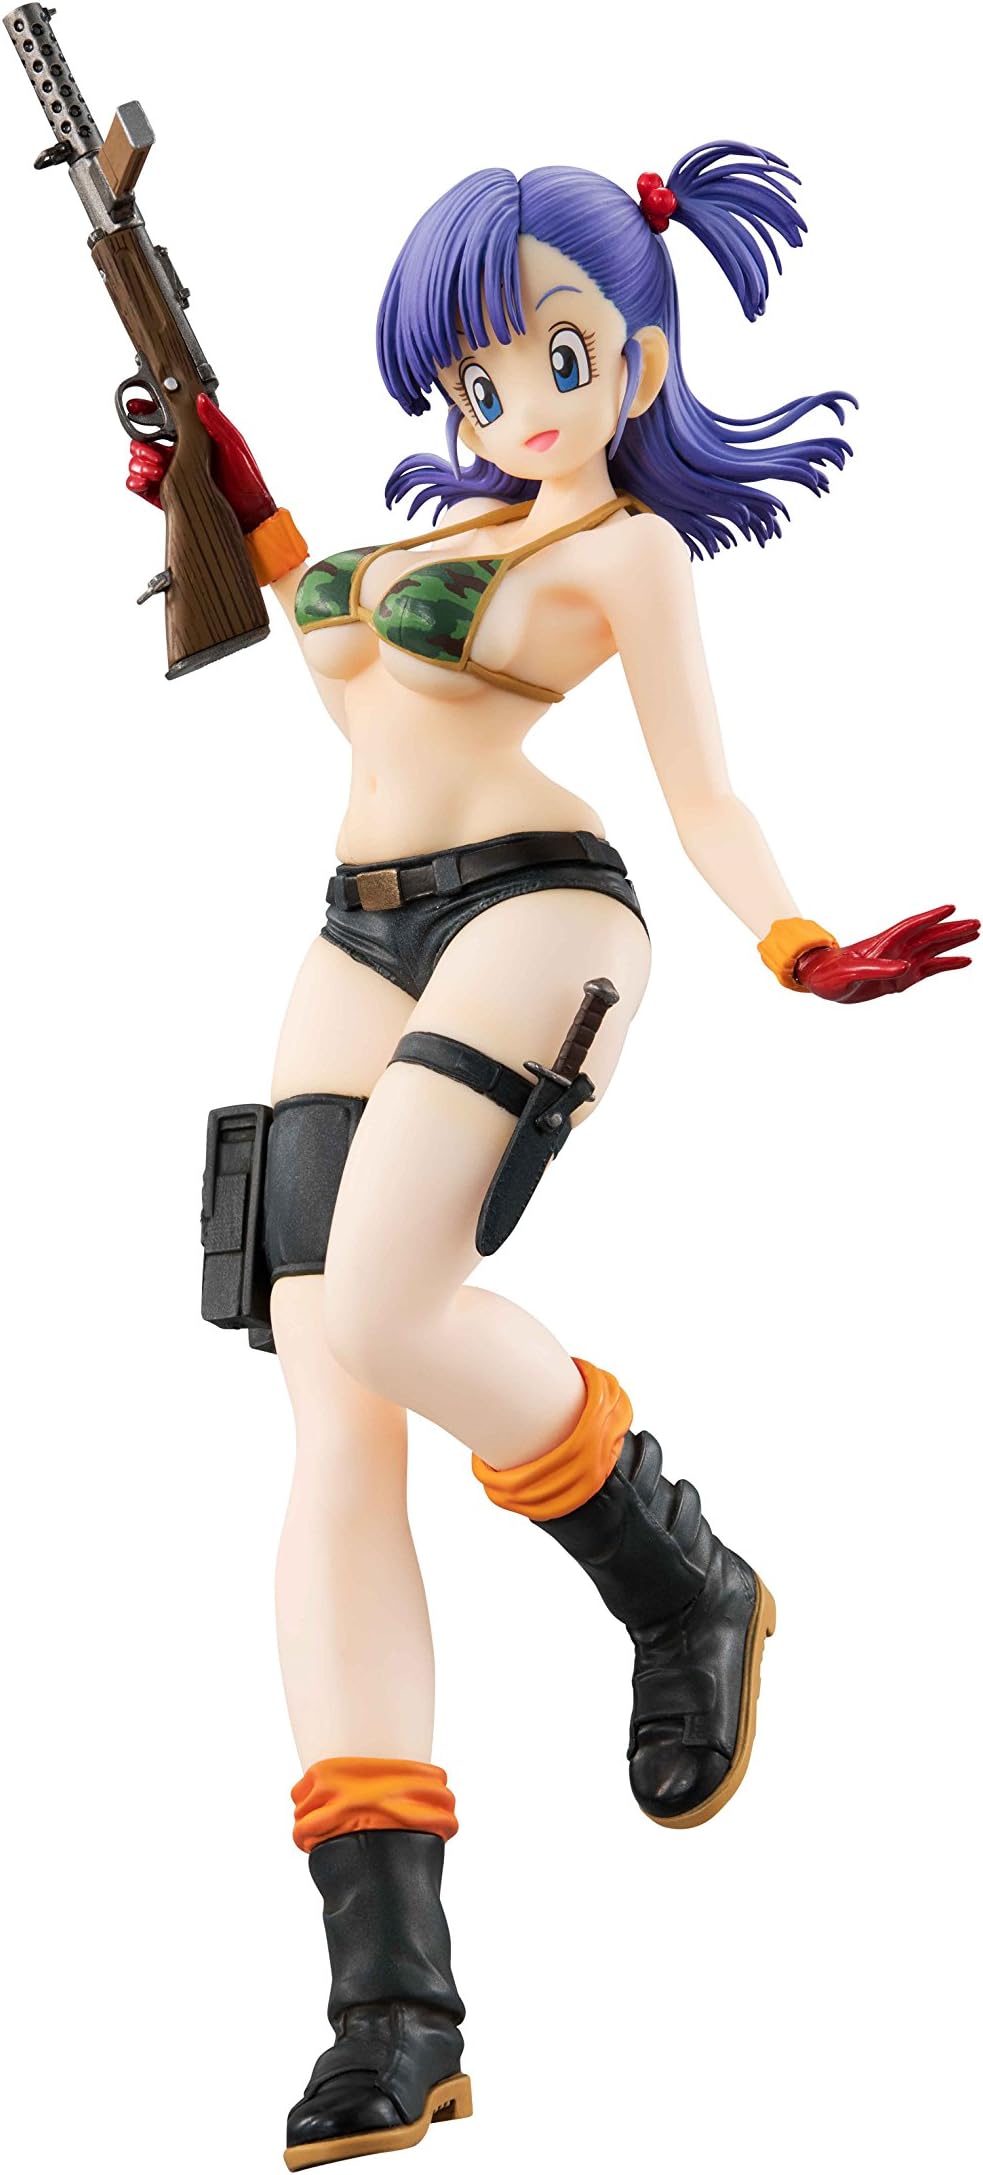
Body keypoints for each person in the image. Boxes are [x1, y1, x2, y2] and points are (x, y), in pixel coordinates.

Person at [129, 148, 977, 2170]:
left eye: (557, 361)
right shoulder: (445, 532)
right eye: (477, 375)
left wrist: (794, 938)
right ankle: (392, 2010)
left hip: (540, 910)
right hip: (354, 932)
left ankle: (679, 1576)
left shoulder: (626, 557)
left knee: (393, 1301)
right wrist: (227, 489)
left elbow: (708, 789)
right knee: (335, 1409)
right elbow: (343, 663)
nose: (512, 401)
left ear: (639, 366)